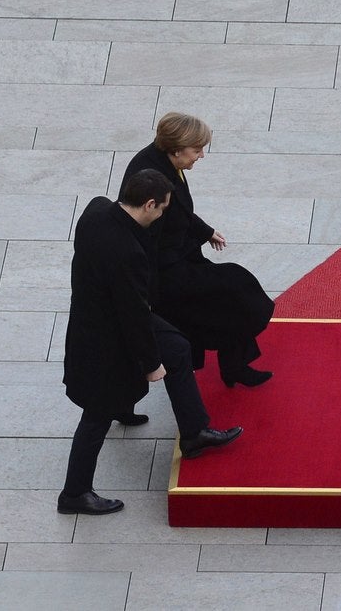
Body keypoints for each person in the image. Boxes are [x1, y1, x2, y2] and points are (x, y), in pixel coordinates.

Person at [59, 169, 243, 516]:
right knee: (96, 415)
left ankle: (193, 432)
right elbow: (133, 315)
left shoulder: (96, 211)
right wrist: (150, 364)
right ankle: (74, 492)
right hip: (104, 338)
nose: (161, 216)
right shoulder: (127, 253)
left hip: (97, 318)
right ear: (148, 204)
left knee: (176, 346)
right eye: (160, 210)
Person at [124, 112, 275, 388]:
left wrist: (205, 231)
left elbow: (178, 209)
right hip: (168, 273)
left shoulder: (165, 162)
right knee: (236, 293)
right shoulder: (151, 181)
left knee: (233, 296)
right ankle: (233, 366)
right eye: (197, 150)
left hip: (181, 256)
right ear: (176, 149)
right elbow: (144, 240)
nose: (201, 155)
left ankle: (235, 365)